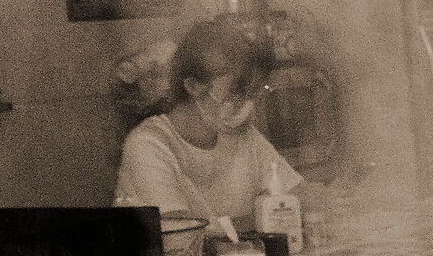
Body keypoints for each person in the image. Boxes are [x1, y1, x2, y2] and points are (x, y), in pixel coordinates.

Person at [112, 17, 301, 230]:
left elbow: (298, 194)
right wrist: (266, 217)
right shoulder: (147, 146)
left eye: (253, 93)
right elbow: (183, 236)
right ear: (193, 86)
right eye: (237, 91)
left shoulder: (242, 136)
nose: (248, 105)